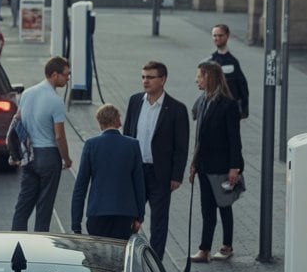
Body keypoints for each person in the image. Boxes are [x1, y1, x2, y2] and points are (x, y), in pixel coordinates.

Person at [123, 61, 190, 259]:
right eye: (143, 77)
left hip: (161, 174)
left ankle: (155, 265)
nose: (145, 81)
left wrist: (176, 175)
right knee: (129, 217)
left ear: (163, 80)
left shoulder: (176, 109)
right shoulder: (135, 102)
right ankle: (128, 260)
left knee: (159, 222)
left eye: (150, 77)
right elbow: (127, 134)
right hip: (136, 171)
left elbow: (181, 146)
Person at [189, 62, 244, 263]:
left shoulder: (228, 105)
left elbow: (234, 138)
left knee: (224, 206)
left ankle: (227, 246)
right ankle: (204, 249)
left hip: (222, 166)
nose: (197, 80)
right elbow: (199, 138)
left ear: (209, 77)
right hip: (204, 165)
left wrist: (234, 168)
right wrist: (194, 163)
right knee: (207, 208)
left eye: (200, 76)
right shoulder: (202, 101)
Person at [12, 57, 73, 232]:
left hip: (29, 155)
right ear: (54, 75)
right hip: (49, 156)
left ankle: (16, 240)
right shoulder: (55, 101)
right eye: (66, 75)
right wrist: (67, 159)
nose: (68, 79)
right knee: (44, 207)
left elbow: (17, 121)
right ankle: (39, 246)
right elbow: (59, 136)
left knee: (23, 204)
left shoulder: (27, 94)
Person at [70, 104, 146, 240]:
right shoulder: (132, 145)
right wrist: (140, 216)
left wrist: (76, 224)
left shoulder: (91, 145)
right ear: (118, 121)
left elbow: (80, 187)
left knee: (99, 257)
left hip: (98, 213)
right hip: (125, 215)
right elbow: (139, 184)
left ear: (100, 123)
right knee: (120, 257)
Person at [209, 24, 249, 120]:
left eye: (220, 35)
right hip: (214, 109)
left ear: (227, 36)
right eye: (215, 35)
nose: (217, 38)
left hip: (230, 110)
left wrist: (243, 109)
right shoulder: (210, 60)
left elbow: (242, 86)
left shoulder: (232, 61)